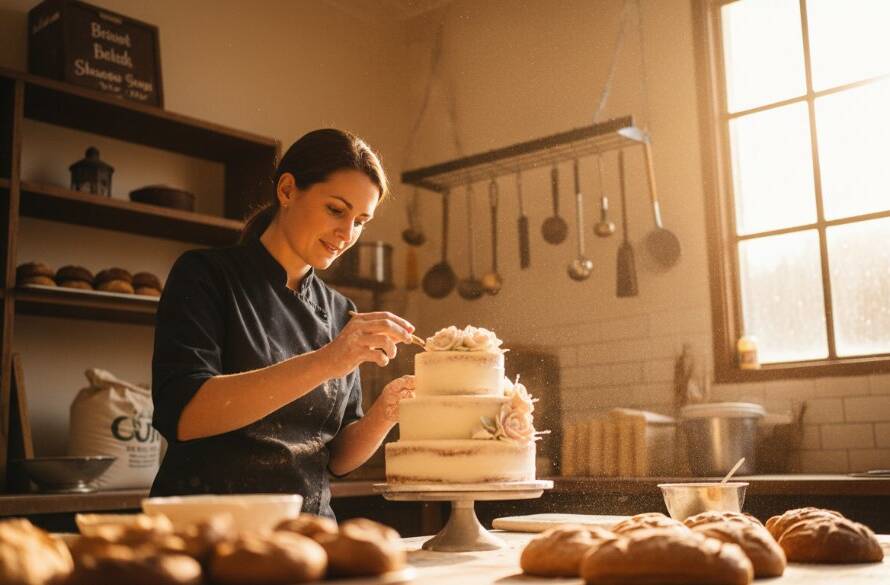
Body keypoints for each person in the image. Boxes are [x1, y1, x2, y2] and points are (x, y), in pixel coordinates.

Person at [151, 128, 415, 518]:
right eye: (336, 210)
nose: (347, 234)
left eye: (361, 220)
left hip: (308, 533)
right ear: (288, 190)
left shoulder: (343, 312)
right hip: (208, 528)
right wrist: (328, 361)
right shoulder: (204, 274)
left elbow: (338, 459)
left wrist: (387, 412)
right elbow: (184, 416)